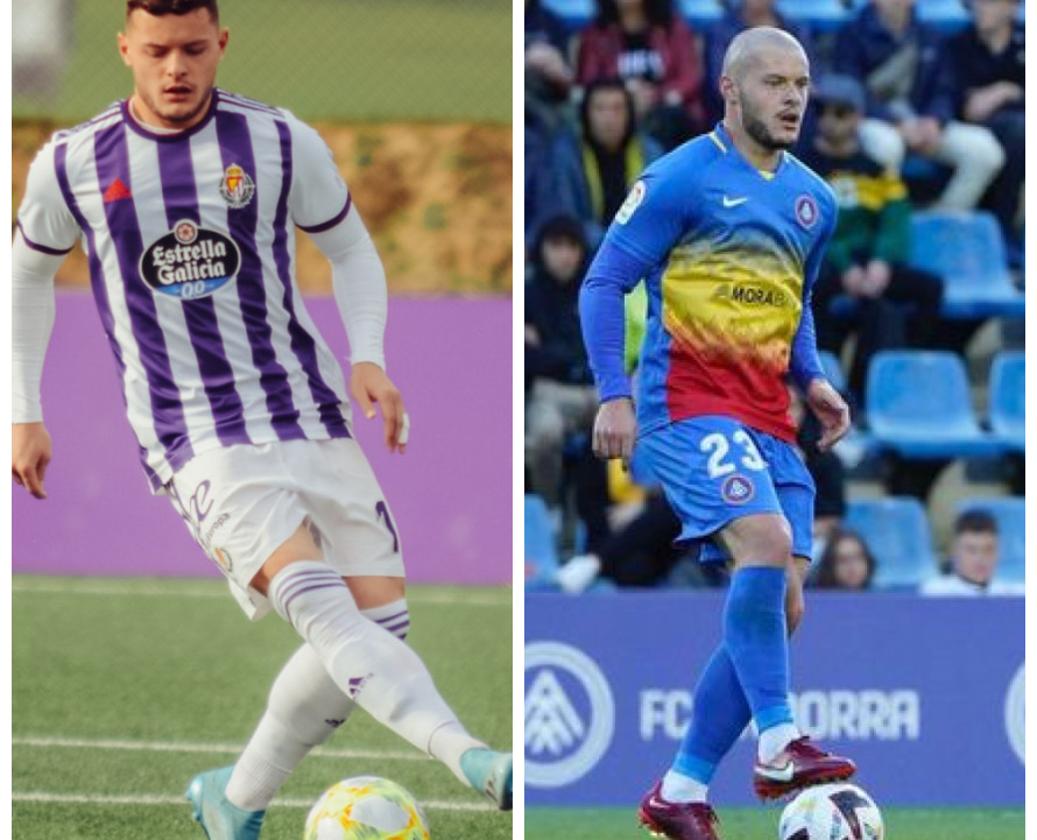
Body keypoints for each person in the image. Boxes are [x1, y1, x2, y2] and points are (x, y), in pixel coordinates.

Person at [11, 3, 512, 839]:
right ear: (126, 48)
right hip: (193, 437)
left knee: (376, 624)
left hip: (307, 412)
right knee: (324, 615)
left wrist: (370, 355)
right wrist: (23, 410)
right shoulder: (71, 163)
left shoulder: (278, 143)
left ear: (222, 46)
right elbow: (24, 278)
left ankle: (234, 801)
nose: (176, 68)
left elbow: (350, 247)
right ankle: (477, 761)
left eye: (194, 49)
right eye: (159, 50)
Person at [580, 26, 856, 840]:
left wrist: (810, 378)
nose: (793, 97)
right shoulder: (679, 178)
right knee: (765, 546)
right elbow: (604, 280)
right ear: (730, 91)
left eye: (801, 82)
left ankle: (679, 788)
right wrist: (612, 394)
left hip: (771, 416)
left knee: (786, 605)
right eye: (774, 82)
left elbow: (791, 300)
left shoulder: (815, 199)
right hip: (685, 403)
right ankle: (776, 742)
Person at [801, 74, 943, 402]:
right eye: (822, 112)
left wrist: (881, 261)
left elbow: (896, 218)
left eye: (840, 113)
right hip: (821, 262)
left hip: (868, 262)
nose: (828, 121)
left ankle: (902, 381)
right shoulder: (802, 167)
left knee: (927, 290)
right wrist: (845, 264)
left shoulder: (877, 169)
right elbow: (809, 226)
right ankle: (819, 386)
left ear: (858, 117)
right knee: (814, 292)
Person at [833, 0, 1004, 210]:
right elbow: (850, 91)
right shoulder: (852, 34)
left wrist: (935, 121)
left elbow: (945, 89)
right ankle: (888, 223)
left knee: (985, 151)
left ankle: (945, 218)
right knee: (886, 146)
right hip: (875, 122)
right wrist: (896, 123)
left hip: (924, 124)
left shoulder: (928, 34)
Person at [947, 0, 1024, 258]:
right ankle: (1003, 231)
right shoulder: (959, 45)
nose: (981, 7)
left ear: (1011, 7)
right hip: (977, 128)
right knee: (1017, 132)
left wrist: (1008, 91)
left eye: (989, 2)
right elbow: (962, 104)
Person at [576, 0, 706, 149]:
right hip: (616, 107)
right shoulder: (596, 33)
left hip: (664, 111)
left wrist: (656, 96)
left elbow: (690, 78)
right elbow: (588, 80)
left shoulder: (673, 28)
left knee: (672, 119)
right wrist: (626, 95)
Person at [550, 77, 664, 246]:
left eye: (617, 109)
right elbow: (565, 216)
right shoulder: (566, 155)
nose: (609, 118)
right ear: (585, 114)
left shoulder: (651, 153)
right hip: (583, 250)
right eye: (600, 109)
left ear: (630, 114)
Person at [921, 509, 1022, 596]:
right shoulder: (935, 593)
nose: (980, 558)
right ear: (954, 553)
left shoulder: (1015, 595)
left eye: (988, 549)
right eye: (971, 550)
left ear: (999, 552)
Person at [810, 529, 876, 590]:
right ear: (830, 566)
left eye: (858, 558)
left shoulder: (880, 596)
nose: (852, 566)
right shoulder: (815, 597)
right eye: (843, 560)